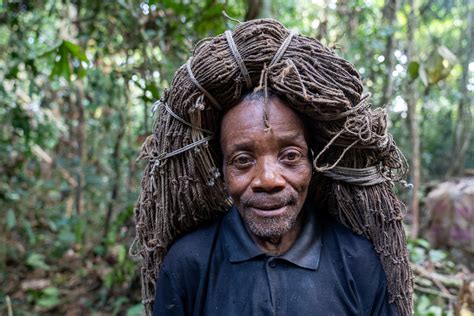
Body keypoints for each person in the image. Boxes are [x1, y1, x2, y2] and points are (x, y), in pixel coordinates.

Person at [131, 18, 413, 316]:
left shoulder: (358, 261)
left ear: (313, 162)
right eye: (243, 160)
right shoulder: (188, 265)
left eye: (290, 156)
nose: (268, 179)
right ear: (221, 171)